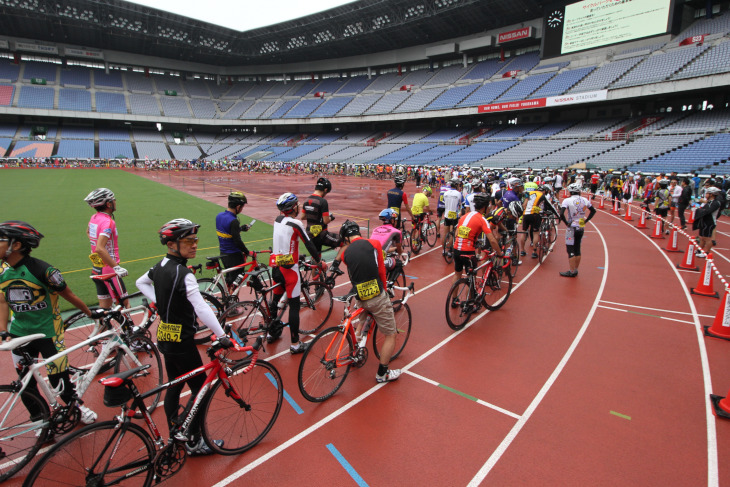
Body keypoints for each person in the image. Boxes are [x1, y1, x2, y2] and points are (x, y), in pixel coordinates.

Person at [136, 218, 232, 456]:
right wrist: (221, 336)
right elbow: (202, 308)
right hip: (183, 342)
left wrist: (158, 302)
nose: (194, 245)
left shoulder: (160, 266)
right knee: (201, 390)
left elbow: (141, 282)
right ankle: (194, 441)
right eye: (188, 241)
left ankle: (175, 432)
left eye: (195, 240)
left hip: (165, 338)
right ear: (172, 244)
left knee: (175, 385)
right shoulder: (183, 273)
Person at [0, 221, 101, 425]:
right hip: (20, 333)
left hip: (49, 334)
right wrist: (4, 330)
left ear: (16, 245)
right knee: (25, 382)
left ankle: (76, 407)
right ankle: (39, 420)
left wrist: (90, 312)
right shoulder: (2, 270)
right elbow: (2, 300)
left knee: (59, 378)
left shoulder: (44, 271)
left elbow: (68, 294)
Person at [338, 220, 401, 383]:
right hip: (377, 295)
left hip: (360, 295)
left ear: (346, 239)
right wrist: (384, 292)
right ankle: (383, 374)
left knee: (364, 311)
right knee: (391, 334)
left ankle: (358, 347)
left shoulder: (345, 253)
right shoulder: (374, 243)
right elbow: (381, 270)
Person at [272, 193, 323, 353]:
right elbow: (308, 243)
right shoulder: (296, 223)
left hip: (276, 266)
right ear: (294, 208)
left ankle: (271, 333)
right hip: (289, 270)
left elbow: (285, 240)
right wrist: (319, 261)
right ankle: (295, 344)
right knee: (294, 307)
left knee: (275, 302)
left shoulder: (277, 220)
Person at [84, 188, 128, 308]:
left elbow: (88, 232)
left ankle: (102, 327)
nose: (115, 202)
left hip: (97, 268)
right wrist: (116, 267)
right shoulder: (108, 222)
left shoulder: (94, 218)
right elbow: (100, 248)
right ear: (108, 204)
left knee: (105, 309)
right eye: (114, 200)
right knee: (124, 306)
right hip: (109, 271)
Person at [452, 194, 503, 285]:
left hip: (456, 249)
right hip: (468, 252)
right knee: (471, 278)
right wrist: (500, 253)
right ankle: (470, 299)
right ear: (485, 207)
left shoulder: (464, 216)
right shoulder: (482, 219)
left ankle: (454, 298)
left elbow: (457, 234)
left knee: (457, 274)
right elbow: (492, 240)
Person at [558, 183, 596, 277]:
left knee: (570, 249)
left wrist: (566, 222)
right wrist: (586, 221)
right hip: (581, 225)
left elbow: (561, 213)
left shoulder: (567, 200)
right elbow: (593, 210)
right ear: (579, 191)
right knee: (577, 248)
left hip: (572, 226)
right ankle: (575, 269)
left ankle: (571, 271)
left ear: (570, 191)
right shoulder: (585, 200)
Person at [215, 191, 252, 287]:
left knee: (229, 279)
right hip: (234, 255)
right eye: (242, 207)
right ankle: (232, 300)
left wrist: (240, 229)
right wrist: (247, 251)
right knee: (237, 281)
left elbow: (228, 232)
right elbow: (237, 241)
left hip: (223, 254)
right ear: (238, 207)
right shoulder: (234, 221)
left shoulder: (219, 216)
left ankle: (227, 299)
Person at [301, 177, 341, 253]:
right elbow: (326, 221)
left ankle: (317, 263)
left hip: (309, 234)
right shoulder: (322, 201)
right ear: (325, 190)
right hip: (321, 235)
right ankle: (335, 264)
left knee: (316, 255)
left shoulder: (307, 200)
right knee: (345, 242)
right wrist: (331, 218)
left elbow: (303, 217)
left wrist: (314, 215)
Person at [694, 186, 722, 256]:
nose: (705, 195)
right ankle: (700, 250)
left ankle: (707, 252)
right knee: (701, 237)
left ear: (711, 194)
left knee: (708, 238)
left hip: (710, 222)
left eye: (707, 193)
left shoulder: (716, 203)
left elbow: (708, 211)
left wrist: (701, 208)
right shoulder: (709, 202)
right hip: (704, 221)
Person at [441, 179, 464, 255]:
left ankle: (443, 250)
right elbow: (462, 204)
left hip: (447, 214)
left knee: (445, 233)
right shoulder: (459, 193)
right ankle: (450, 250)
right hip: (454, 215)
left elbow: (444, 202)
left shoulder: (445, 193)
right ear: (457, 185)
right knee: (453, 233)